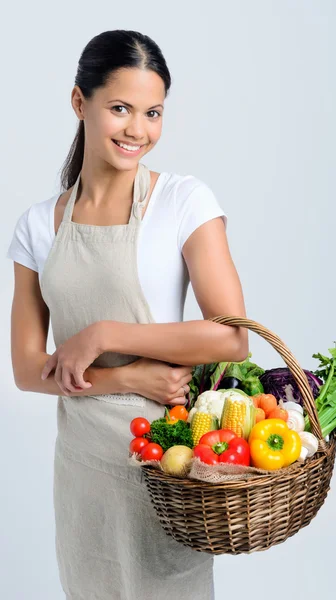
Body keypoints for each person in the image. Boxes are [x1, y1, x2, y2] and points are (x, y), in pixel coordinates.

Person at [6, 29, 248, 600]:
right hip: (84, 470)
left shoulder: (183, 202)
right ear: (79, 103)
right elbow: (24, 369)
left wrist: (105, 334)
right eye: (120, 108)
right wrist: (125, 376)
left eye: (153, 113)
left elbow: (234, 338)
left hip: (167, 463)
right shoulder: (39, 226)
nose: (138, 130)